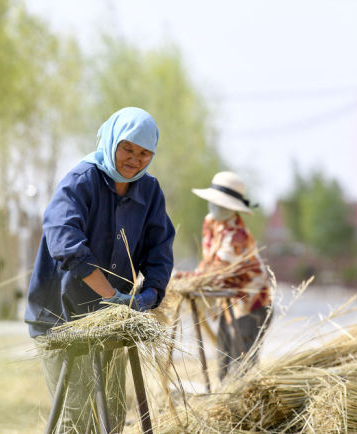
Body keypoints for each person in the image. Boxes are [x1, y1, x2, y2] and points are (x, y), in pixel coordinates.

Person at [24, 107, 175, 433]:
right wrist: (113, 298)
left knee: (114, 416)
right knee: (77, 418)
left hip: (110, 320)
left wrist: (147, 297)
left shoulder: (149, 192)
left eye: (144, 153)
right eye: (128, 148)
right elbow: (65, 243)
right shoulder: (80, 182)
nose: (135, 159)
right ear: (111, 141)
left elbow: (160, 252)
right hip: (61, 320)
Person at [189, 171, 273, 381]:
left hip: (250, 306)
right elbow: (208, 262)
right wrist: (192, 276)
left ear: (232, 208)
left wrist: (189, 279)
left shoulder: (238, 235)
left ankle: (247, 411)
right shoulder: (210, 223)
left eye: (222, 204)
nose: (216, 208)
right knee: (224, 366)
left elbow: (219, 271)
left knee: (242, 371)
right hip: (228, 304)